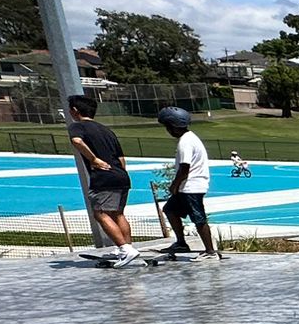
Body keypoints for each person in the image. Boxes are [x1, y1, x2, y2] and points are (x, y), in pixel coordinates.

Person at [65, 93, 141, 265]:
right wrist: (120, 174)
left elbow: (77, 141)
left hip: (103, 177)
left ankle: (125, 249)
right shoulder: (107, 130)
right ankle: (128, 248)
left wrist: (93, 160)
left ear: (75, 111)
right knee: (118, 213)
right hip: (120, 175)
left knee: (100, 213)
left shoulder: (78, 126)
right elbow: (121, 158)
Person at [156, 107, 220, 259]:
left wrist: (174, 185)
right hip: (187, 186)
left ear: (172, 127)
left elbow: (185, 167)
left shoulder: (185, 142)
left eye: (167, 127)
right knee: (170, 210)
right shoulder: (190, 138)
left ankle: (210, 251)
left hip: (191, 186)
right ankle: (181, 243)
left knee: (198, 217)